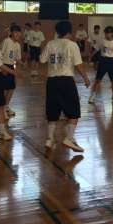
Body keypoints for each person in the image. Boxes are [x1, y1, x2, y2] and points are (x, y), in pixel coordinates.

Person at [40, 20, 90, 152]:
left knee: (52, 111)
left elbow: (42, 60)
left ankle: (49, 139)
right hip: (66, 81)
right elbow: (79, 64)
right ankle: (69, 138)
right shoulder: (72, 45)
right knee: (74, 112)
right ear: (69, 32)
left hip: (52, 81)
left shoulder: (50, 43)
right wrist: (85, 78)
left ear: (57, 32)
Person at [89, 26, 113, 104]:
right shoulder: (102, 41)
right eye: (105, 33)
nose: (106, 34)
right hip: (103, 61)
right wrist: (90, 56)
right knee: (97, 80)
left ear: (112, 33)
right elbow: (96, 49)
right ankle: (92, 96)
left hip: (112, 62)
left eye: (108, 33)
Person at [0, 24, 22, 119]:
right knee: (4, 89)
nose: (17, 34)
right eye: (15, 32)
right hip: (4, 66)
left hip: (11, 67)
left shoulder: (17, 45)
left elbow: (17, 58)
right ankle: (1, 110)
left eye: (19, 32)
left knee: (11, 88)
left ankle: (6, 106)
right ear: (11, 33)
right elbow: (0, 55)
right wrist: (2, 68)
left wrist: (23, 64)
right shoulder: (6, 41)